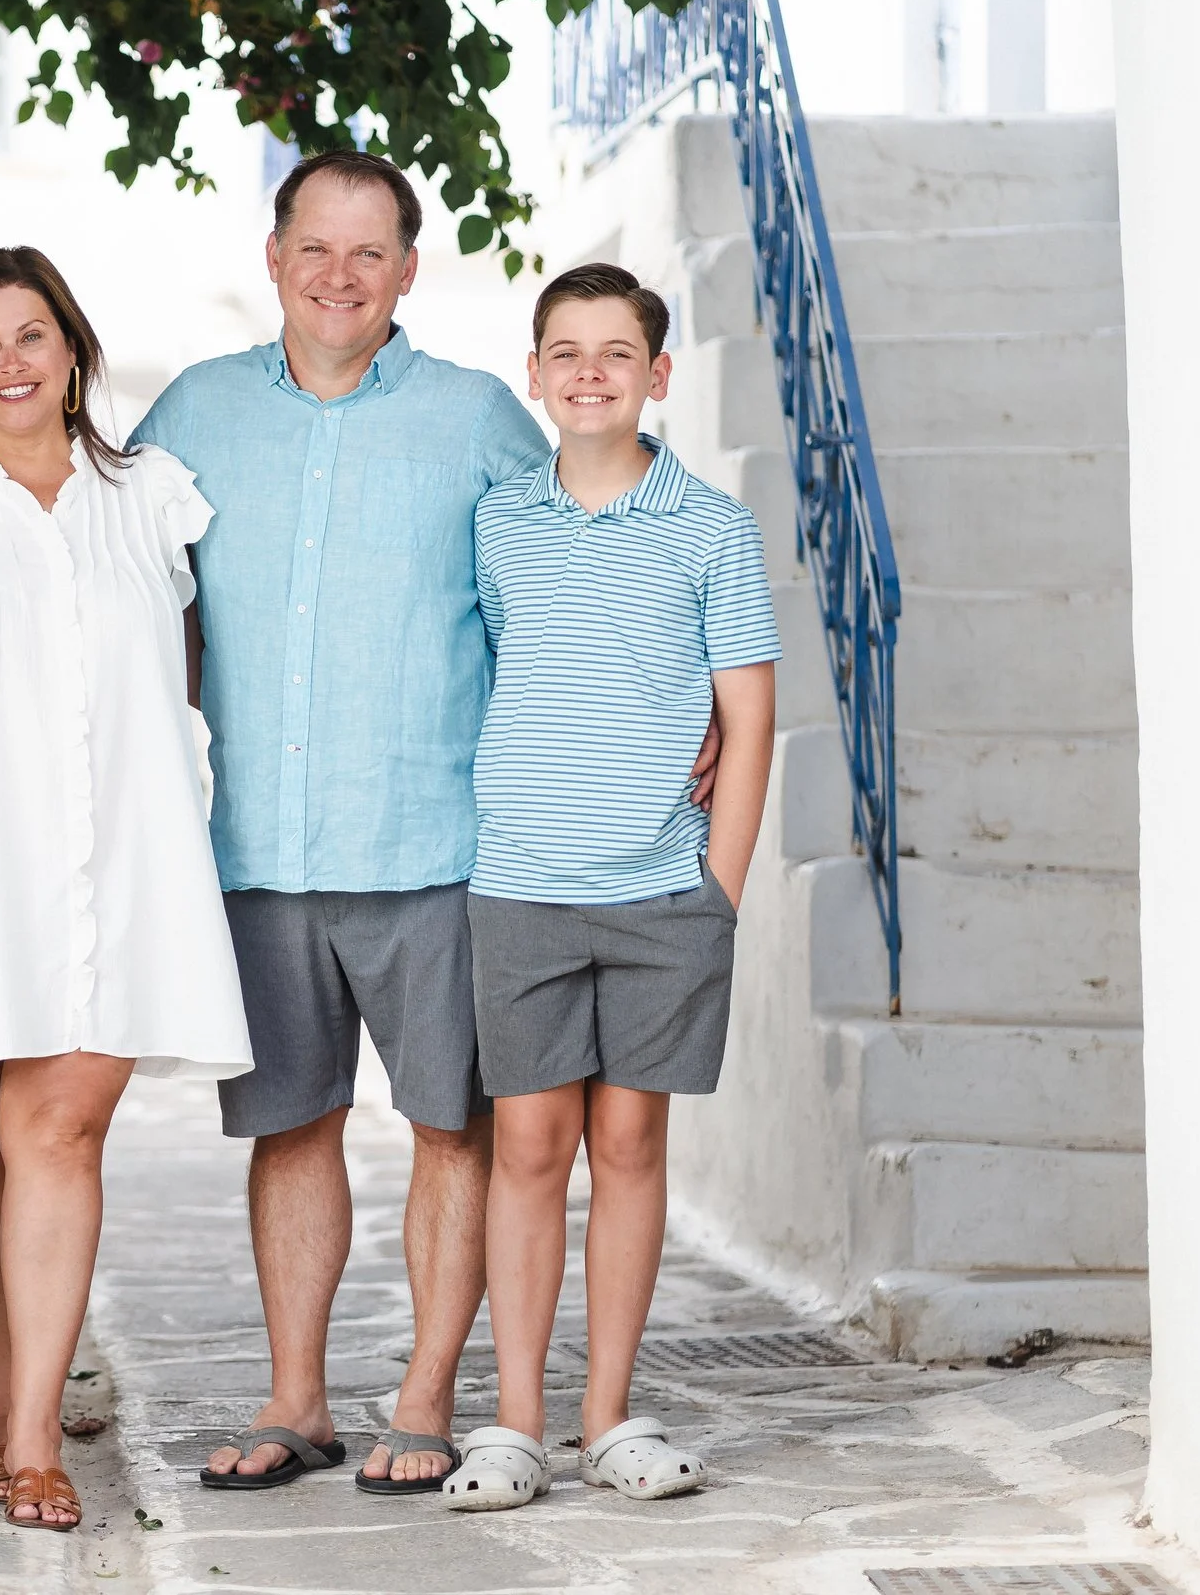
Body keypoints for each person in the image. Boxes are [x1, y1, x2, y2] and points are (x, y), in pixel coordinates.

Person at [130, 150, 555, 1495]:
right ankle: (297, 1397)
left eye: (369, 254)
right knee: (291, 1123)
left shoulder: (482, 419)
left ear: (409, 273)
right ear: (274, 255)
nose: (339, 277)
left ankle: (424, 1396)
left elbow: (556, 605)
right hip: (258, 848)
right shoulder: (192, 414)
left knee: (451, 1127)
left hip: (441, 844)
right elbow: (127, 601)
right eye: (316, 247)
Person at [0, 247, 252, 1531]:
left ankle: (35, 1437)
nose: (15, 361)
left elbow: (209, 668)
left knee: (58, 1131)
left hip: (116, 865)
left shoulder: (152, 497)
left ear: (74, 350)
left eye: (36, 335)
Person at [440, 263, 778, 1512]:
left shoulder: (710, 529)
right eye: (565, 352)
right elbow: (498, 672)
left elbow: (748, 720)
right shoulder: (500, 523)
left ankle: (606, 1417)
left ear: (657, 375)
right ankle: (516, 1420)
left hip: (659, 895)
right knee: (527, 1145)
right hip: (520, 885)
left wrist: (718, 893)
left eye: (616, 352)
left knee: (630, 1143)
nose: (589, 372)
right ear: (536, 375)